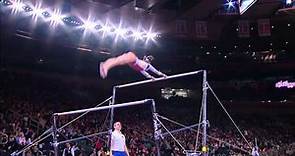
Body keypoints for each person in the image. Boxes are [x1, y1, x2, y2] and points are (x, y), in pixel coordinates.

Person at [100, 51, 166, 79]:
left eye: (148, 59)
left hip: (132, 63)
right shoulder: (144, 63)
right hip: (133, 58)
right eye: (147, 58)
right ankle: (106, 66)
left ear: (149, 61)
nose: (146, 59)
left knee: (119, 61)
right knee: (119, 60)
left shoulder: (147, 67)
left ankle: (106, 65)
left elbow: (155, 72)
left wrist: (162, 75)